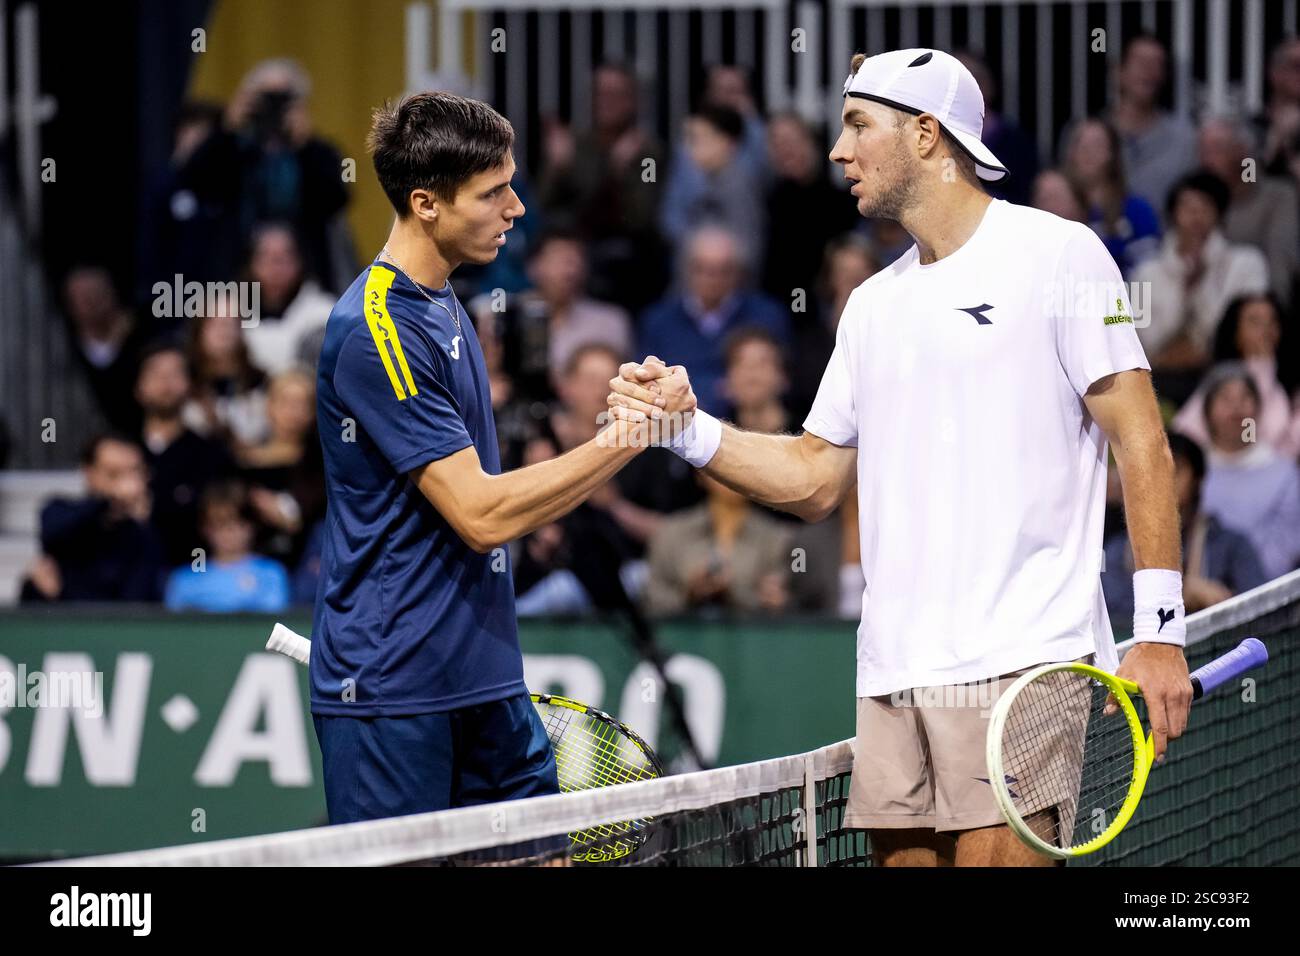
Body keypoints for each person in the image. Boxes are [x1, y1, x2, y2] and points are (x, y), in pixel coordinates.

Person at [610, 48, 1192, 868]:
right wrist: (687, 429)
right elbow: (813, 477)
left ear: (927, 135)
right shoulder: (872, 304)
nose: (838, 151)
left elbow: (1143, 440)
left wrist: (1160, 632)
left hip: (1021, 665)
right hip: (893, 675)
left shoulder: (1060, 256)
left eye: (857, 125)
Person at [310, 91, 691, 827]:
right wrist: (629, 433)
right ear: (425, 203)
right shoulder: (373, 329)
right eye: (493, 193)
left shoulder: (446, 301)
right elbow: (482, 514)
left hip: (485, 679)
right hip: (395, 691)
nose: (516, 208)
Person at [1132, 171, 1269, 397]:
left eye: (1204, 206)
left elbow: (1247, 334)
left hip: (1230, 380)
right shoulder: (1143, 272)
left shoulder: (1248, 263)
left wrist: (1201, 289)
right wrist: (1184, 294)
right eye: (1187, 206)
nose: (1195, 215)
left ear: (1219, 213)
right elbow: (1141, 345)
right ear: (1173, 214)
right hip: (1157, 383)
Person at [1104, 432, 1266, 620]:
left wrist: (1225, 603)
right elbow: (1108, 610)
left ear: (1198, 479)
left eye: (1177, 469)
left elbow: (1261, 610)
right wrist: (1182, 593)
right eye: (1155, 468)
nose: (1165, 479)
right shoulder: (1117, 551)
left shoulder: (1232, 546)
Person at [637, 225, 790, 416]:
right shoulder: (658, 321)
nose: (713, 279)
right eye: (703, 269)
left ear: (738, 271)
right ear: (687, 270)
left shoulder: (767, 315)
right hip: (677, 428)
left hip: (750, 426)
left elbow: (784, 380)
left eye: (723, 270)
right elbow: (647, 383)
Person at [20, 434, 164, 603]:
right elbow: (54, 531)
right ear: (89, 472)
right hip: (61, 625)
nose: (125, 484)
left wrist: (141, 522)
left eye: (133, 473)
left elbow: (135, 602)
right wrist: (108, 500)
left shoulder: (143, 534)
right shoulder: (62, 511)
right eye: (113, 474)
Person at [135, 342, 236, 568]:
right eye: (155, 373)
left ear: (190, 385)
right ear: (138, 386)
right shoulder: (122, 452)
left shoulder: (212, 455)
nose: (165, 383)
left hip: (193, 574)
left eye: (175, 374)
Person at [1198, 364, 1300, 582]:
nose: (1236, 410)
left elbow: (1286, 548)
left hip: (1262, 592)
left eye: (1245, 398)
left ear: (1258, 410)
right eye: (1225, 399)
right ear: (1207, 412)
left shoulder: (1284, 473)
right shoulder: (1192, 473)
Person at [644, 472, 793, 616]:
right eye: (723, 464)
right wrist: (689, 595)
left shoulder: (776, 538)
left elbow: (788, 602)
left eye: (742, 467)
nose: (733, 475)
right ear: (701, 473)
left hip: (750, 636)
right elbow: (652, 598)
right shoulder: (671, 533)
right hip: (684, 635)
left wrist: (737, 594)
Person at [1171, 293, 1300, 458]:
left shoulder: (1291, 385)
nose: (1266, 330)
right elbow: (1185, 434)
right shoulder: (1218, 380)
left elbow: (1283, 441)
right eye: (1255, 322)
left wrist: (1265, 369)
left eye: (1273, 322)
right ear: (1236, 333)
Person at [1198, 116, 1300, 308]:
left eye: (1217, 149)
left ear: (1242, 151)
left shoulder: (1277, 197)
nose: (1207, 158)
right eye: (1203, 150)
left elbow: (1281, 268)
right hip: (1202, 311)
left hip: (1257, 309)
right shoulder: (1194, 199)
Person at [1105, 32, 1199, 215]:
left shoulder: (1185, 139)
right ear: (1119, 71)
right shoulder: (1089, 136)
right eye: (1140, 62)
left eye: (1157, 64)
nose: (1149, 71)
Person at [164, 481, 291, 613]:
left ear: (251, 526)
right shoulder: (185, 578)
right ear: (205, 528)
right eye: (219, 525)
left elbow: (273, 618)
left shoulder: (271, 573)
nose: (227, 533)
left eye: (235, 524)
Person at [1060, 117, 1161, 275]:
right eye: (1081, 144)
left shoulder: (1138, 210)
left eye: (1096, 145)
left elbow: (1147, 276)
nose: (1088, 152)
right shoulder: (1055, 207)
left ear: (1112, 154)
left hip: (1123, 296)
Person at [240, 221, 338, 374]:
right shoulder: (229, 313)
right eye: (266, 257)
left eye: (284, 257)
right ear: (251, 263)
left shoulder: (326, 313)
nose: (275, 268)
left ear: (301, 262)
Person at [62, 266, 148, 435]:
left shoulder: (145, 336)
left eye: (96, 294)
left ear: (112, 293)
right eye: (82, 297)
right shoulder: (62, 345)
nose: (91, 302)